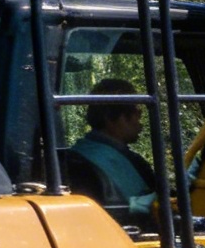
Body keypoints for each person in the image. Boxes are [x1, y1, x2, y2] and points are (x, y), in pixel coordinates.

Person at [62, 78, 159, 222]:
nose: (139, 121)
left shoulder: (76, 157)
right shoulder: (83, 166)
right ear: (109, 117)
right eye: (135, 112)